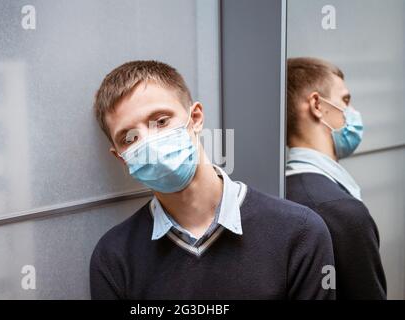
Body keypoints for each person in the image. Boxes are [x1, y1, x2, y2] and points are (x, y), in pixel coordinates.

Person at [89, 60, 335, 299]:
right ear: (121, 158)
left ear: (195, 118)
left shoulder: (299, 232)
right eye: (129, 138)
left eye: (161, 121)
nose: (148, 143)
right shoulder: (113, 257)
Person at [285, 57, 387, 299]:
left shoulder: (277, 192)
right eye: (345, 101)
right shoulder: (342, 210)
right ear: (317, 106)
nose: (353, 113)